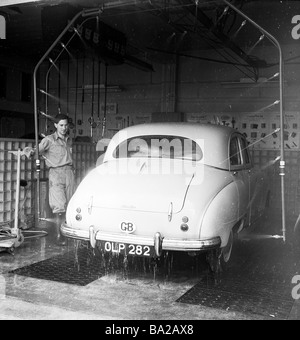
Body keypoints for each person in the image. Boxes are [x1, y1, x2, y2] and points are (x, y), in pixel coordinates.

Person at [26, 114, 75, 246]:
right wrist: (30, 151)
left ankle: (68, 233)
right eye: (61, 125)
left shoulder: (69, 139)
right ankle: (60, 236)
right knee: (59, 205)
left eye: (66, 125)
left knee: (70, 203)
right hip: (56, 173)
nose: (64, 128)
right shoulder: (49, 140)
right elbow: (37, 151)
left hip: (69, 173)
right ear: (55, 125)